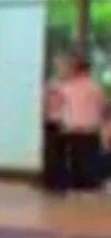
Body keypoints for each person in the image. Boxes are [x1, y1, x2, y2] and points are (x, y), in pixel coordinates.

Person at [57, 56, 106, 193]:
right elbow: (102, 108)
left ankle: (75, 185)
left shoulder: (66, 88)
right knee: (90, 162)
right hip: (91, 131)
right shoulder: (96, 88)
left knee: (75, 162)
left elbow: (60, 108)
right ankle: (90, 185)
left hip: (71, 130)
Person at [40, 54, 72, 193]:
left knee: (61, 153)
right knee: (52, 152)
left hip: (63, 121)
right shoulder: (52, 84)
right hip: (52, 120)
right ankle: (51, 180)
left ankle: (59, 181)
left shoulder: (69, 85)